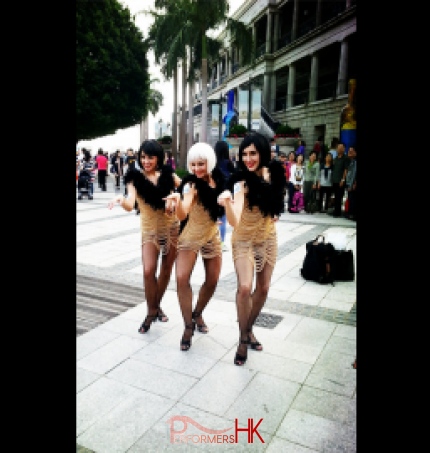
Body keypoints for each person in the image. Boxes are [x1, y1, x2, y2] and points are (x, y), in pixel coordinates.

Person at [217, 132, 286, 366]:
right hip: (243, 239)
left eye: (253, 153)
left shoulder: (274, 173)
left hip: (267, 238)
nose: (248, 158)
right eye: (244, 154)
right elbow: (235, 220)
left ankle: (247, 330)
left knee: (264, 288)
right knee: (245, 288)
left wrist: (274, 212)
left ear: (263, 153)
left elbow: (276, 201)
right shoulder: (239, 182)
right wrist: (227, 203)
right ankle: (243, 339)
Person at [107, 139, 182, 334]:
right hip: (149, 231)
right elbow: (131, 204)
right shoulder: (134, 178)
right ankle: (152, 311)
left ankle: (154, 308)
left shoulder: (168, 175)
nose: (146, 161)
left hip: (172, 229)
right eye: (143, 157)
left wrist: (176, 200)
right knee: (149, 271)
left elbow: (185, 191)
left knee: (166, 271)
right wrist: (121, 200)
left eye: (150, 157)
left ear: (158, 158)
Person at [163, 142, 226, 351]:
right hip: (190, 236)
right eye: (194, 164)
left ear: (210, 162)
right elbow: (183, 213)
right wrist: (178, 201)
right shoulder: (191, 185)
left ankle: (197, 313)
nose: (197, 168)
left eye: (201, 163)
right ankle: (188, 326)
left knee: (213, 280)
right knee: (181, 278)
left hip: (211, 235)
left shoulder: (220, 181)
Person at [214, 140, 235, 252]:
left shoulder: (213, 163)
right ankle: (221, 242)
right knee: (223, 218)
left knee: (215, 217)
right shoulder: (228, 163)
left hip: (215, 191)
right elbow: (235, 174)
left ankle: (213, 240)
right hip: (225, 192)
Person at [331, 142, 350, 217]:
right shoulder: (335, 158)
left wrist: (343, 179)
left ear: (344, 148)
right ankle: (336, 210)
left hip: (340, 181)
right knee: (335, 196)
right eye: (338, 147)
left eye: (341, 147)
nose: (339, 149)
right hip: (334, 180)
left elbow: (346, 169)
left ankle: (337, 212)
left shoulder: (345, 158)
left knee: (339, 196)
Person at [345, 146, 357, 221]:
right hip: (349, 183)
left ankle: (353, 214)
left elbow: (354, 173)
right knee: (350, 198)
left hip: (352, 184)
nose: (350, 152)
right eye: (349, 151)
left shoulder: (355, 162)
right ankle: (350, 213)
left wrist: (352, 184)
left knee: (353, 199)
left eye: (352, 151)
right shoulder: (350, 161)